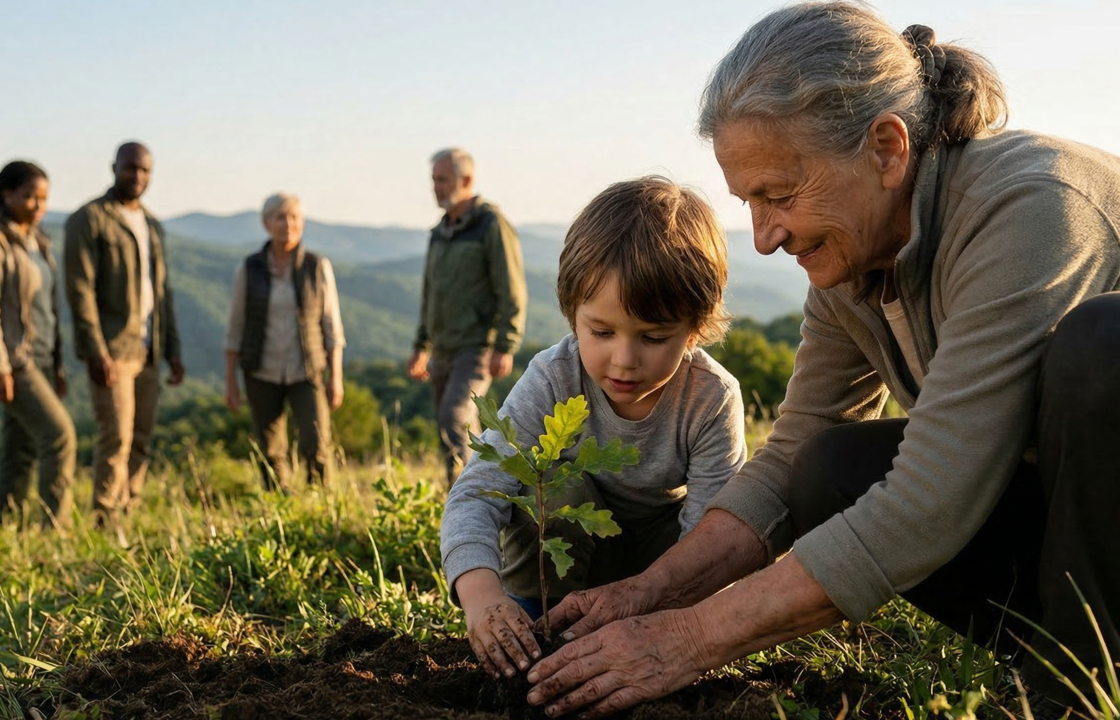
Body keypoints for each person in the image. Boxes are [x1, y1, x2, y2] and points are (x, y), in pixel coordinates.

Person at [522, 5, 1120, 718]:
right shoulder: (853, 260)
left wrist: (687, 640)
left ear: (887, 149)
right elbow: (787, 458)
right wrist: (648, 594)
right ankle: (1057, 644)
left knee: (1103, 344)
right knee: (827, 469)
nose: (764, 237)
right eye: (749, 201)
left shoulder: (1032, 208)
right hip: (1082, 524)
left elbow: (932, 496)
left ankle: (1074, 686)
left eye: (778, 195)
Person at [440, 177, 747, 682]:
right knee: (556, 489)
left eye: (654, 338)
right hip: (562, 568)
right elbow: (476, 493)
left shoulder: (711, 399)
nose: (624, 360)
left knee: (709, 535)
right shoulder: (554, 378)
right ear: (573, 314)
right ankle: (534, 632)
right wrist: (481, 598)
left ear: (695, 328)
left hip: (661, 572)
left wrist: (669, 622)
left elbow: (711, 538)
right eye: (601, 332)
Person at [64, 142, 184, 532]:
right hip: (113, 349)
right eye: (131, 168)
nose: (138, 176)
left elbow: (162, 292)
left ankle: (129, 511)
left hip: (150, 347)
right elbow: (79, 290)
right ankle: (104, 519)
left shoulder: (152, 224)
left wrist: (173, 350)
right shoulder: (89, 219)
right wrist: (95, 350)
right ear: (113, 167)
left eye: (145, 170)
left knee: (141, 438)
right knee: (116, 437)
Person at [0, 161, 76, 529]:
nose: (38, 205)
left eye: (43, 198)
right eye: (29, 196)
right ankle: (54, 531)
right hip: (13, 360)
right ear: (6, 194)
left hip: (41, 357)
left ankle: (7, 528)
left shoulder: (37, 241)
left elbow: (47, 309)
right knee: (59, 436)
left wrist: (57, 364)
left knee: (20, 446)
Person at [409, 148, 528, 486]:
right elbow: (430, 292)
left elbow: (512, 288)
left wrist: (505, 344)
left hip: (476, 346)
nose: (436, 187)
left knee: (455, 415)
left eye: (443, 180)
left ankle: (470, 493)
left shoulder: (491, 225)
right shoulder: (439, 231)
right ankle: (474, 491)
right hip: (442, 348)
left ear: (467, 180)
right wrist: (421, 345)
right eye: (434, 180)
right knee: (451, 425)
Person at [224, 193, 346, 489]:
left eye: (294, 217)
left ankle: (320, 501)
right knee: (269, 448)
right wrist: (230, 381)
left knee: (316, 441)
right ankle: (278, 502)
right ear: (266, 224)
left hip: (306, 369)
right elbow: (235, 326)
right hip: (260, 371)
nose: (288, 224)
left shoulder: (317, 266)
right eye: (280, 217)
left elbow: (332, 326)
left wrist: (336, 377)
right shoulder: (249, 268)